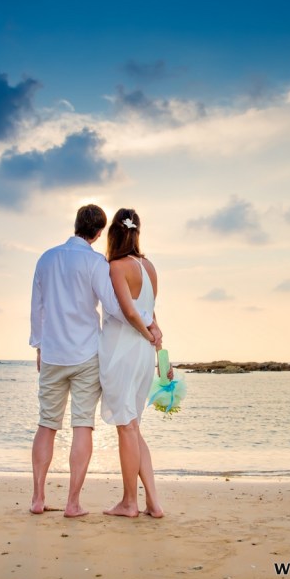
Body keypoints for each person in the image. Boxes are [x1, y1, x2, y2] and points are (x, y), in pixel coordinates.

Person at [29, 204, 161, 517]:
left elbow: (38, 307)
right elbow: (117, 308)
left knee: (47, 425)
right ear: (99, 232)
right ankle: (73, 503)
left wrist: (38, 346)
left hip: (54, 353)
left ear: (76, 225)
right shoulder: (97, 263)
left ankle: (37, 498)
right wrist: (150, 325)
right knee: (83, 427)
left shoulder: (46, 259)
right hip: (88, 354)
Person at [98, 208, 170, 518]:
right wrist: (153, 333)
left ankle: (130, 502)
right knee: (133, 427)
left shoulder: (116, 266)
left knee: (126, 428)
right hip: (142, 355)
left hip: (123, 351)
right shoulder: (149, 266)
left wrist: (147, 332)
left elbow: (130, 313)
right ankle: (153, 502)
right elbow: (149, 311)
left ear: (114, 233)